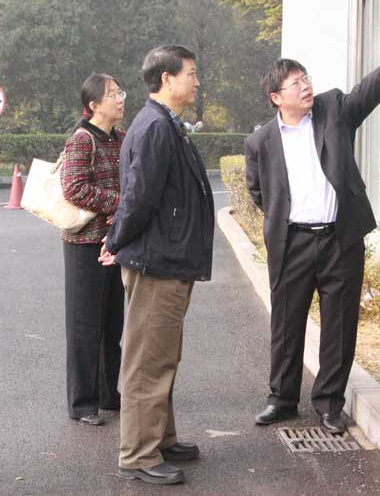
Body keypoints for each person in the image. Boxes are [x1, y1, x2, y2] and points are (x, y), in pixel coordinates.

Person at [245, 36, 380, 433]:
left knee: (339, 324)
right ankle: (282, 399)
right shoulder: (260, 142)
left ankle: (329, 403)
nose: (305, 86)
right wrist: (285, 219)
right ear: (276, 97)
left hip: (339, 240)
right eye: (295, 83)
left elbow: (365, 95)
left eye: (306, 78)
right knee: (286, 324)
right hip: (292, 243)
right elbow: (259, 192)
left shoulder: (333, 109)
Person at [99, 45, 215, 486]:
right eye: (191, 73)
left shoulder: (162, 123)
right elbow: (138, 198)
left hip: (167, 261)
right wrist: (115, 239)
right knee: (148, 361)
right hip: (157, 264)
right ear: (167, 78)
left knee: (163, 355)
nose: (196, 81)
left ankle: (161, 439)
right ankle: (138, 454)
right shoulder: (154, 127)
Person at [60, 73, 126, 426]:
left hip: (114, 243)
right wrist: (118, 203)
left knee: (112, 324)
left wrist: (124, 209)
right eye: (113, 94)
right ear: (94, 105)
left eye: (120, 92)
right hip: (85, 245)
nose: (120, 99)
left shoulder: (121, 139)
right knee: (84, 325)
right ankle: (83, 403)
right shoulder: (82, 140)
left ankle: (107, 393)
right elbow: (74, 188)